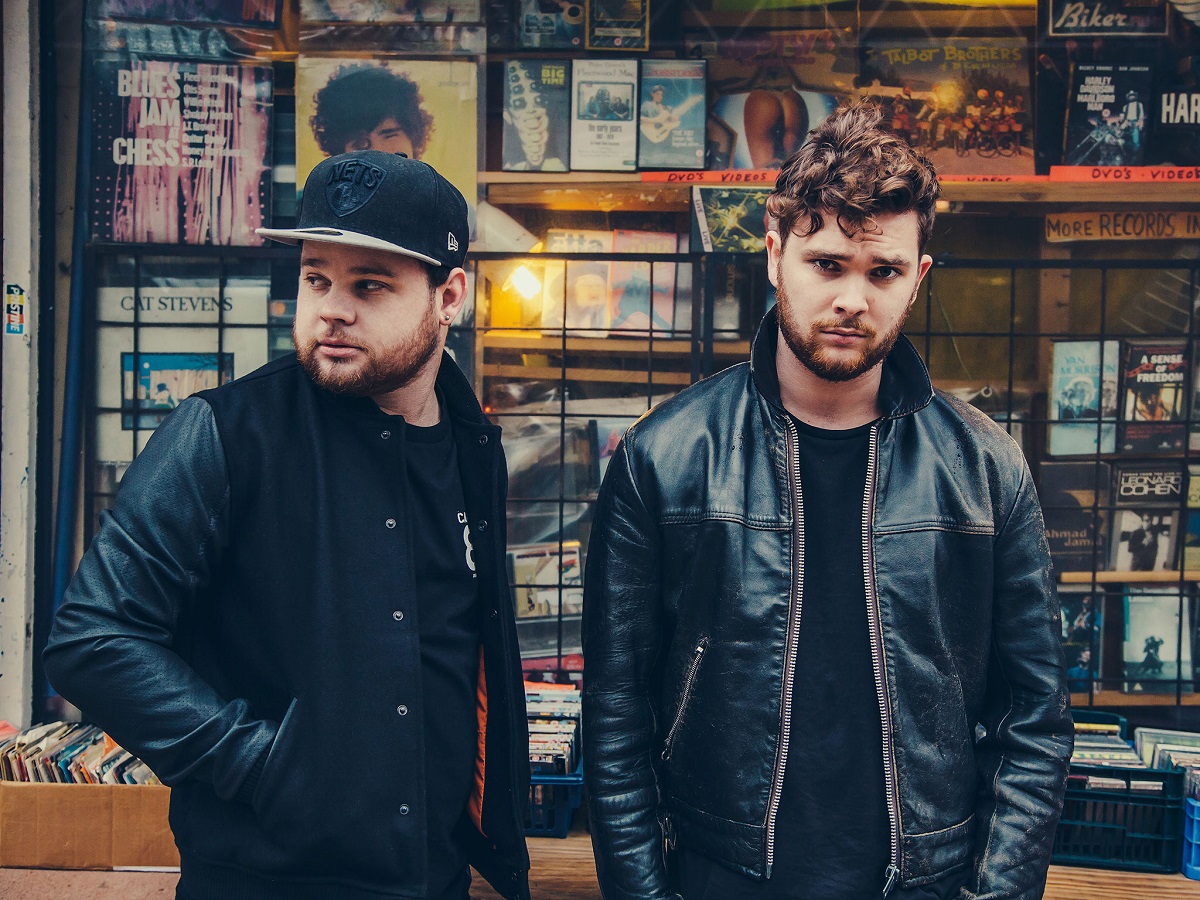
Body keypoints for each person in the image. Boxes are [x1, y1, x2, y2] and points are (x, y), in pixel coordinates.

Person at [582, 100, 1071, 900]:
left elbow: (1035, 720)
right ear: (776, 254)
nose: (853, 299)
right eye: (828, 264)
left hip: (924, 883)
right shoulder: (664, 458)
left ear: (917, 278)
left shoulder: (986, 468)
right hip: (723, 878)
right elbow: (615, 717)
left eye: (882, 272)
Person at [44, 150, 532, 900]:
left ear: (450, 296)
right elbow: (91, 638)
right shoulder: (224, 433)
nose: (332, 308)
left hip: (433, 877)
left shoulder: (472, 445)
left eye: (369, 284)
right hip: (265, 878)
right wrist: (261, 765)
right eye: (316, 279)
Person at [310, 64, 434, 158]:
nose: (378, 152)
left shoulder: (439, 185)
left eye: (389, 135)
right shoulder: (317, 187)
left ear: (414, 138)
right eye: (361, 143)